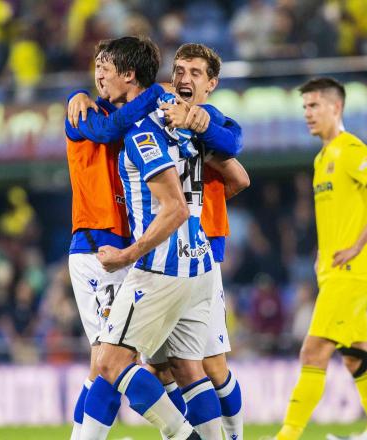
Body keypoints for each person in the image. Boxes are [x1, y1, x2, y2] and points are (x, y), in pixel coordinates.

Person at [68, 41, 246, 439]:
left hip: (155, 261)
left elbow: (180, 204)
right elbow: (232, 171)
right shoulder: (176, 121)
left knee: (110, 364)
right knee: (182, 367)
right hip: (196, 262)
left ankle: (185, 436)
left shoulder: (151, 128)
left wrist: (130, 252)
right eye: (177, 71)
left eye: (105, 68)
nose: (181, 80)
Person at [276, 77, 367, 440]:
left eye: (314, 106)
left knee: (312, 351)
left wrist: (360, 244)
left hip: (352, 272)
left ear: (337, 107)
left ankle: (288, 434)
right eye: (305, 108)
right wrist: (322, 252)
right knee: (357, 358)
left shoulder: (350, 148)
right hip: (334, 272)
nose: (308, 114)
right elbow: (337, 215)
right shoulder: (321, 158)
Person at [64, 39, 166, 440]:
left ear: (128, 73)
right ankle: (182, 432)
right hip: (96, 249)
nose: (98, 73)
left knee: (102, 365)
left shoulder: (137, 119)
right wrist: (156, 93)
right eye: (96, 66)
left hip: (123, 250)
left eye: (105, 65)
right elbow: (108, 131)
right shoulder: (84, 113)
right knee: (113, 362)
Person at [148, 43, 249, 440]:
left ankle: (230, 436)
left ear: (211, 84)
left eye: (194, 73)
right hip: (162, 251)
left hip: (197, 251)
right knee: (166, 366)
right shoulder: (161, 113)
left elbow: (237, 156)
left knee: (209, 366)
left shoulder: (206, 120)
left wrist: (197, 124)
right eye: (179, 70)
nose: (184, 78)